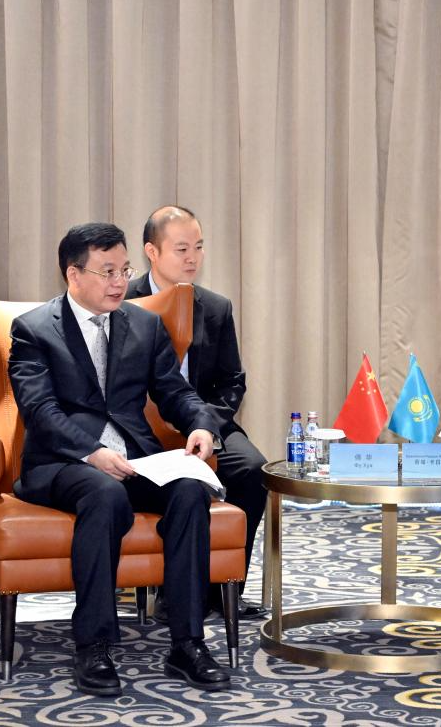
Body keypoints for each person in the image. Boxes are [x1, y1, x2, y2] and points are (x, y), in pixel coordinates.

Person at [9, 223, 232, 696]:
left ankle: (187, 643)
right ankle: (93, 645)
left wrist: (200, 424)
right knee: (104, 493)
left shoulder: (144, 324)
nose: (118, 282)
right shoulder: (33, 330)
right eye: (106, 271)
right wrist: (91, 451)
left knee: (190, 490)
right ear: (74, 274)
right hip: (64, 462)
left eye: (124, 270)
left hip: (135, 460)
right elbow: (40, 411)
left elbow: (174, 392)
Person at [126, 205, 269, 620]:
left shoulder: (216, 307)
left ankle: (223, 588)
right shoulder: (124, 301)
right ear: (152, 252)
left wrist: (205, 423)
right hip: (140, 424)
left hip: (204, 420)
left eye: (199, 248)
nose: (193, 258)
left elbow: (232, 381)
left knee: (251, 470)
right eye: (182, 249)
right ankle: (167, 587)